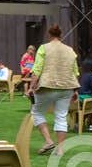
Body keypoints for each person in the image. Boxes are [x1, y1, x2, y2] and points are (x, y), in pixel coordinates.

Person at [29, 24, 79, 155]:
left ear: (49, 35)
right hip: (66, 86)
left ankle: (48, 141)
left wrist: (31, 86)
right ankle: (61, 149)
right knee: (61, 116)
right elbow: (75, 71)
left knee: (37, 113)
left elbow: (37, 69)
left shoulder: (43, 48)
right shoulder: (70, 50)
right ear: (61, 35)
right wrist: (75, 90)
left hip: (47, 86)